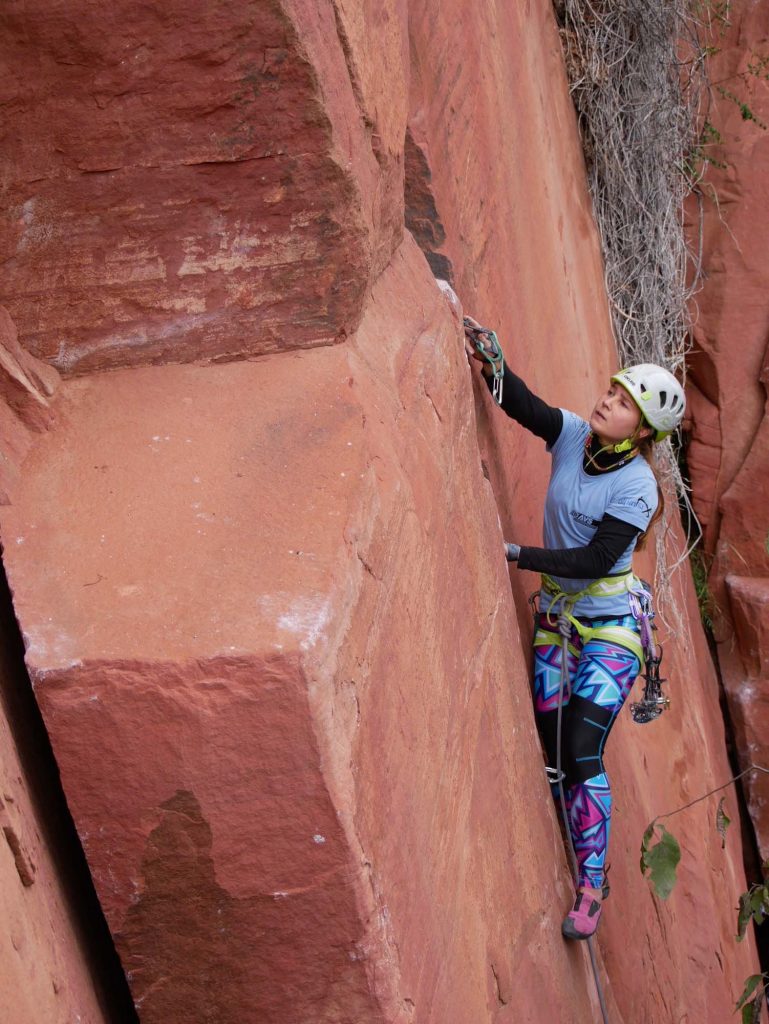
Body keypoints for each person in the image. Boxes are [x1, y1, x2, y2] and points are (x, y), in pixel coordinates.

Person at [463, 317, 685, 940]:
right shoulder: (577, 438)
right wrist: (494, 364)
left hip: (611, 626)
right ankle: (573, 823)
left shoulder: (637, 487)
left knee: (580, 746)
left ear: (642, 432)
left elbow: (592, 563)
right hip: (560, 620)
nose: (606, 401)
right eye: (612, 390)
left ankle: (592, 883)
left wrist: (516, 555)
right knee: (549, 735)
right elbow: (526, 407)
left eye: (622, 403)